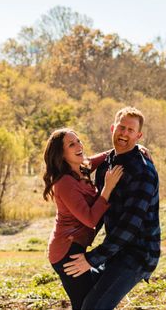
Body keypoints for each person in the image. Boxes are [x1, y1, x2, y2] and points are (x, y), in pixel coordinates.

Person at [63, 106, 161, 310]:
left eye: (130, 130)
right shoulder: (106, 166)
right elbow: (100, 210)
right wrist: (78, 238)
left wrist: (91, 259)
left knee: (93, 307)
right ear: (112, 128)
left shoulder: (143, 172)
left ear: (139, 135)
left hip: (137, 253)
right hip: (115, 250)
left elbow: (130, 227)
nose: (124, 133)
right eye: (121, 127)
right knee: (84, 300)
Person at [42, 128, 124, 310]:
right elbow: (90, 219)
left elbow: (103, 156)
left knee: (91, 302)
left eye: (78, 140)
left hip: (76, 246)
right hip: (66, 252)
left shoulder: (82, 167)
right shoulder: (64, 183)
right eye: (72, 144)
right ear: (61, 154)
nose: (79, 146)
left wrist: (137, 148)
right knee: (85, 304)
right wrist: (108, 188)